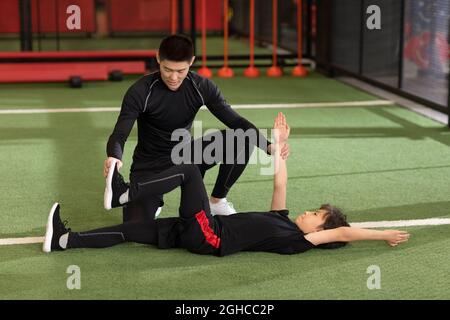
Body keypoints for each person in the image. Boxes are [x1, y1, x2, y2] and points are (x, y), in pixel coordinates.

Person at [43, 113, 410, 255]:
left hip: (209, 234)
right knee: (133, 230)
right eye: (314, 210)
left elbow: (343, 234)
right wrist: (278, 143)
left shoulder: (298, 241)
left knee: (188, 171)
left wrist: (382, 235)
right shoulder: (281, 220)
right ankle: (65, 241)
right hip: (197, 232)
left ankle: (127, 191)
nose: (308, 213)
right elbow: (279, 182)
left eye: (316, 215)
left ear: (321, 232)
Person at [104, 34, 289, 221]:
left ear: (191, 62)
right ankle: (152, 201)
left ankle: (217, 201)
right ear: (158, 58)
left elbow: (237, 122)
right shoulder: (141, 91)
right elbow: (120, 133)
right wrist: (114, 156)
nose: (174, 77)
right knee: (136, 226)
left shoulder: (201, 86)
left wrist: (269, 147)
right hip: (150, 164)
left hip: (185, 155)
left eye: (180, 70)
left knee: (241, 138)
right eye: (167, 69)